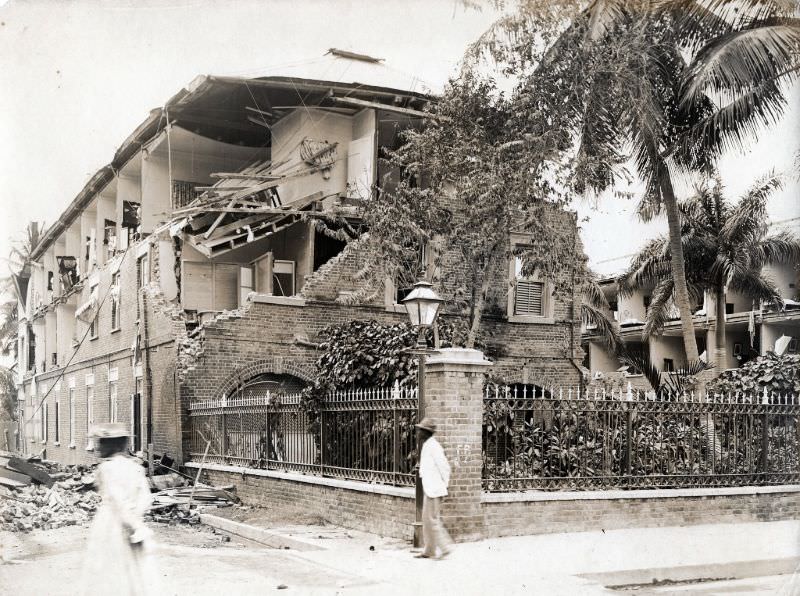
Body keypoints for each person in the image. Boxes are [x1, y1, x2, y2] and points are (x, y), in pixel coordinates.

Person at [81, 423, 157, 596]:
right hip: (131, 519)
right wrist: (136, 520)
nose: (98, 448)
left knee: (109, 568)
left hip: (111, 523)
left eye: (101, 443)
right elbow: (146, 498)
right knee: (133, 569)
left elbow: (117, 499)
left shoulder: (106, 469)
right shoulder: (136, 468)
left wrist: (130, 523)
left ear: (112, 445)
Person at [414, 417, 453, 560]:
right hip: (429, 488)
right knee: (427, 519)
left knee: (433, 520)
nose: (418, 433)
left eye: (421, 431)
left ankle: (445, 548)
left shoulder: (434, 446)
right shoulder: (427, 445)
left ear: (426, 432)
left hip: (435, 489)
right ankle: (429, 550)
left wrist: (444, 485)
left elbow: (445, 467)